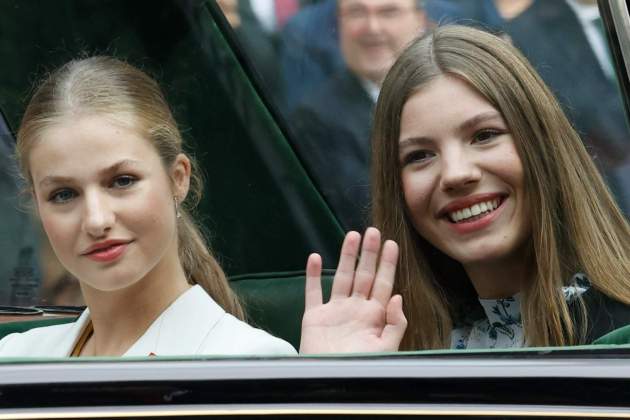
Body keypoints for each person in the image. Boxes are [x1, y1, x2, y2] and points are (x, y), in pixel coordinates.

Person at [299, 25, 630, 353]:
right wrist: (335, 384)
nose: (455, 174)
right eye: (420, 156)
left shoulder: (619, 339)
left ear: (543, 144)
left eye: (484, 135)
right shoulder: (390, 349)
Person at [0, 56, 296, 357]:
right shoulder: (15, 357)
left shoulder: (251, 359)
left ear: (178, 179)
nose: (96, 219)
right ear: (37, 204)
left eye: (122, 181)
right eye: (63, 194)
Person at [290, 0, 427, 232]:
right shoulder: (313, 119)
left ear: (420, 20)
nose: (372, 27)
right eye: (356, 12)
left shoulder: (445, 97)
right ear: (338, 23)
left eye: (388, 12)